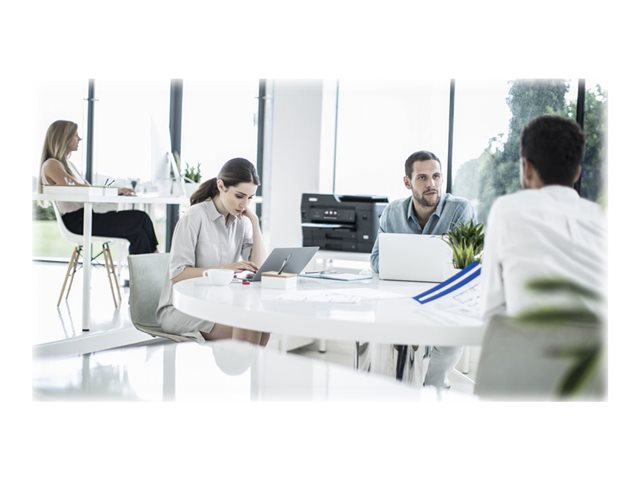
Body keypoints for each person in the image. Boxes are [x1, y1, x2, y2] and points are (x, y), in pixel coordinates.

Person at [479, 115, 606, 321]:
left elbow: (490, 310)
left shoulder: (506, 210)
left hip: (527, 340)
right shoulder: (603, 218)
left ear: (527, 168)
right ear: (577, 172)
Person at [369, 150, 476, 388]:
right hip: (402, 298)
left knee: (448, 342)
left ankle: (430, 388)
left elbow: (465, 263)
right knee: (382, 334)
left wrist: (405, 262)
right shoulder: (392, 212)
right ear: (407, 182)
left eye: (436, 176)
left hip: (446, 298)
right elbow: (376, 260)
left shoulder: (460, 209)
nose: (431, 184)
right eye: (422, 178)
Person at [156, 157, 270, 345]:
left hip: (215, 304)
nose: (244, 205)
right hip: (180, 308)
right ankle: (242, 363)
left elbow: (257, 267)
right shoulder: (194, 216)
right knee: (248, 326)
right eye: (239, 196)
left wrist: (255, 222)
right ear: (221, 186)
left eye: (250, 198)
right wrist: (226, 268)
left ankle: (244, 364)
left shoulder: (241, 222)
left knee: (263, 323)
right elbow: (177, 274)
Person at [38, 120, 159, 255]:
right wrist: (113, 191)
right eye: (75, 135)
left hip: (87, 217)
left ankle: (151, 264)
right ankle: (156, 258)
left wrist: (117, 191)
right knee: (141, 218)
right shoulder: (51, 164)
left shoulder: (68, 165)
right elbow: (78, 188)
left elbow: (87, 188)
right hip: (77, 223)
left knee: (139, 233)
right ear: (64, 138)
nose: (79, 139)